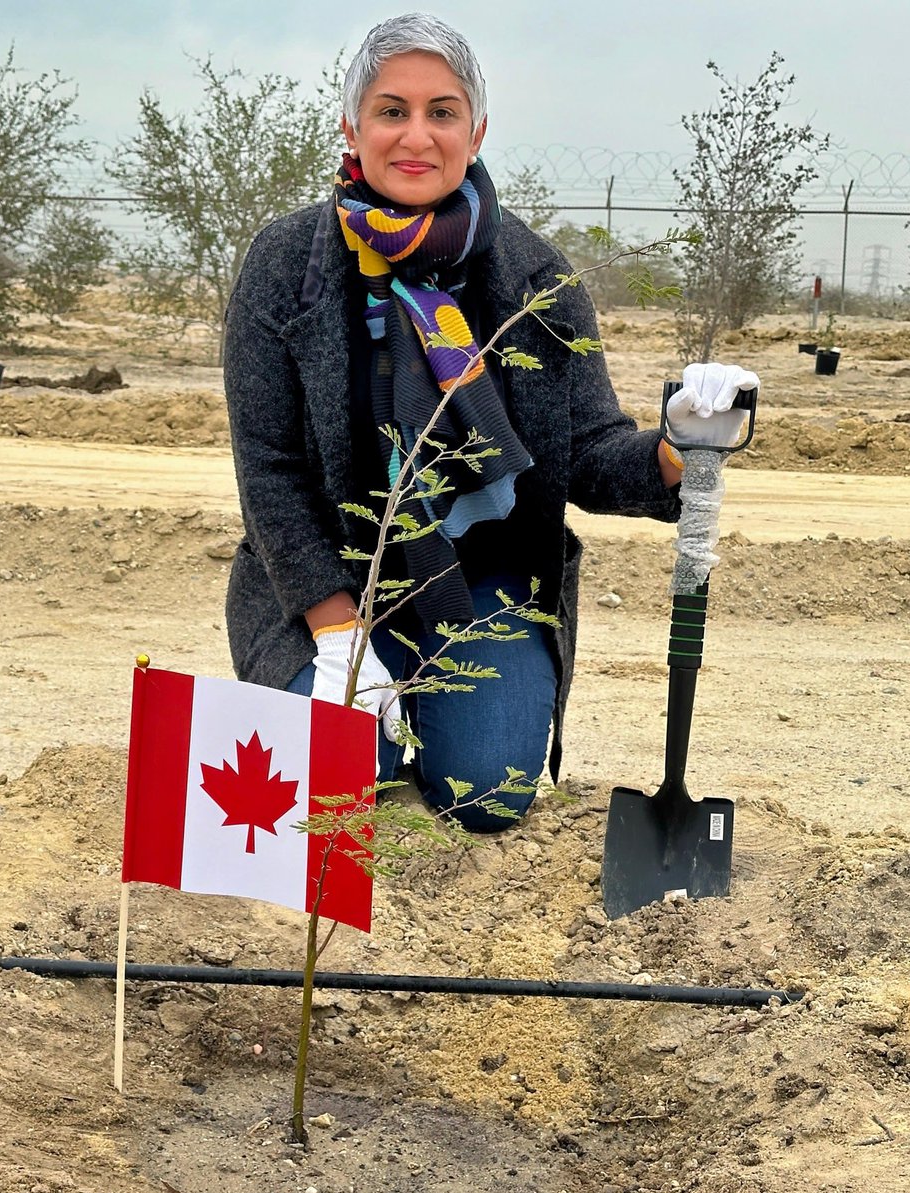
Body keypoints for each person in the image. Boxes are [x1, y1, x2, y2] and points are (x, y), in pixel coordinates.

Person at [223, 12, 758, 833]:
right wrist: (336, 637)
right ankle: (353, 692)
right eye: (391, 110)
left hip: (482, 586)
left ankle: (439, 715)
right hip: (324, 585)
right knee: (326, 791)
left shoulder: (533, 276)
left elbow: (584, 450)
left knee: (486, 794)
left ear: (476, 130)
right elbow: (269, 470)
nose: (416, 135)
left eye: (442, 112)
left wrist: (678, 447)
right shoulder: (286, 263)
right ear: (350, 124)